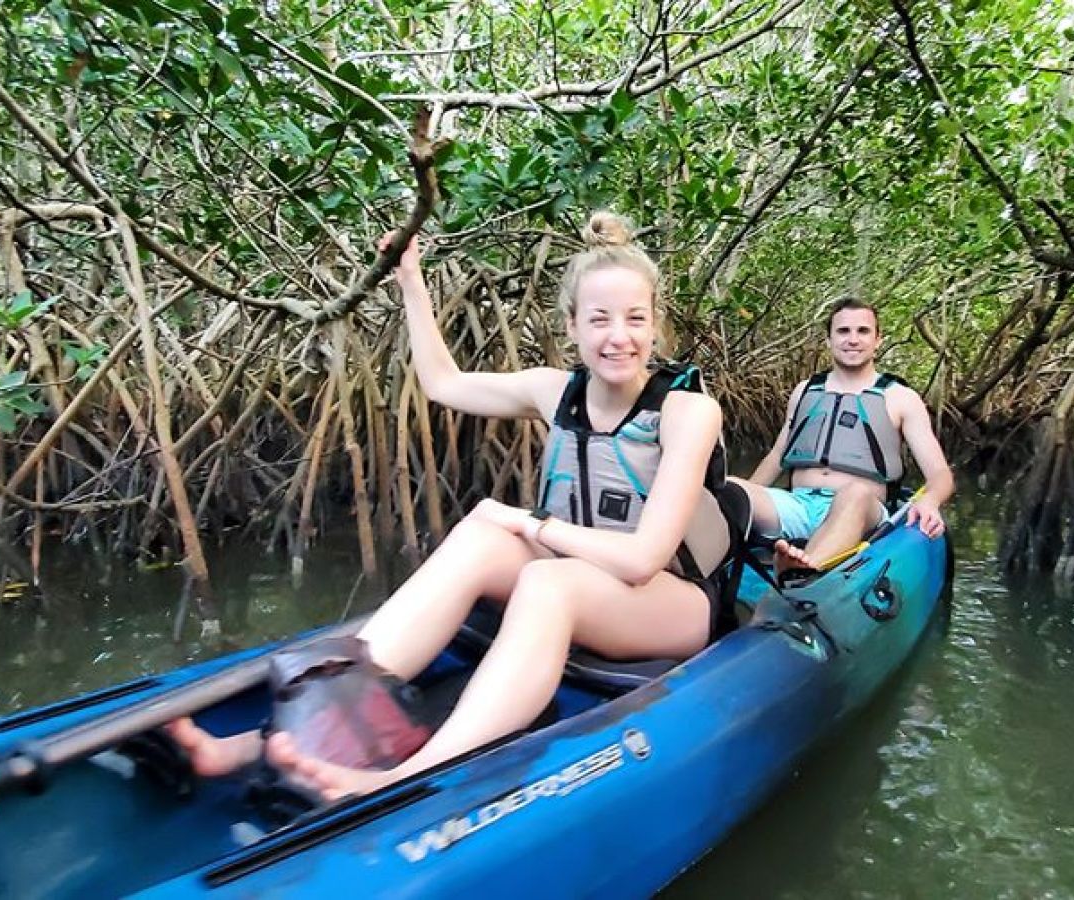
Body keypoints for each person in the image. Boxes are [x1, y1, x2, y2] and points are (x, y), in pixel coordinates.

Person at [168, 212, 732, 801]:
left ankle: (403, 776)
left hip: (670, 603)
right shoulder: (553, 391)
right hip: (583, 575)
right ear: (571, 326)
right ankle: (267, 739)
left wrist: (525, 521)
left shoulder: (687, 411)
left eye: (635, 319)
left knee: (547, 580)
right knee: (481, 540)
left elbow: (644, 559)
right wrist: (410, 279)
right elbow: (442, 383)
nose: (620, 336)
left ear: (655, 324)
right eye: (600, 319)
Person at [732, 297, 953, 573]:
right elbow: (778, 455)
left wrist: (929, 501)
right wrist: (741, 499)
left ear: (878, 340)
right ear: (828, 340)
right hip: (798, 505)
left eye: (863, 331)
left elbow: (940, 474)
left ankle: (803, 569)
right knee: (730, 487)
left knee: (856, 493)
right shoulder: (805, 391)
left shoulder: (901, 398)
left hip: (860, 509)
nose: (853, 339)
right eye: (843, 331)